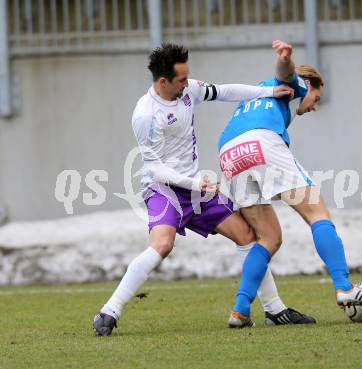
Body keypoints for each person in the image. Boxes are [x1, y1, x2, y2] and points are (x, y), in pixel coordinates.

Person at [93, 43, 315, 336]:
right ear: (163, 81)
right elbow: (155, 169)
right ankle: (109, 312)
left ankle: (274, 309)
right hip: (165, 190)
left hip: (197, 190)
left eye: (188, 77)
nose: (188, 84)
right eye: (182, 79)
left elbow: (224, 91)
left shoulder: (189, 91)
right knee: (162, 245)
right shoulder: (146, 114)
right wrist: (196, 184)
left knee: (246, 234)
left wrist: (268, 92)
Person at [218, 40, 362, 327]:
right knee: (317, 214)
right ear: (308, 84)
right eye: (317, 99)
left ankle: (240, 309)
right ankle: (344, 287)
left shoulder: (257, 94)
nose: (314, 107)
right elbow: (286, 73)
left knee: (268, 238)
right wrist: (285, 58)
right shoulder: (295, 85)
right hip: (262, 142)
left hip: (229, 153)